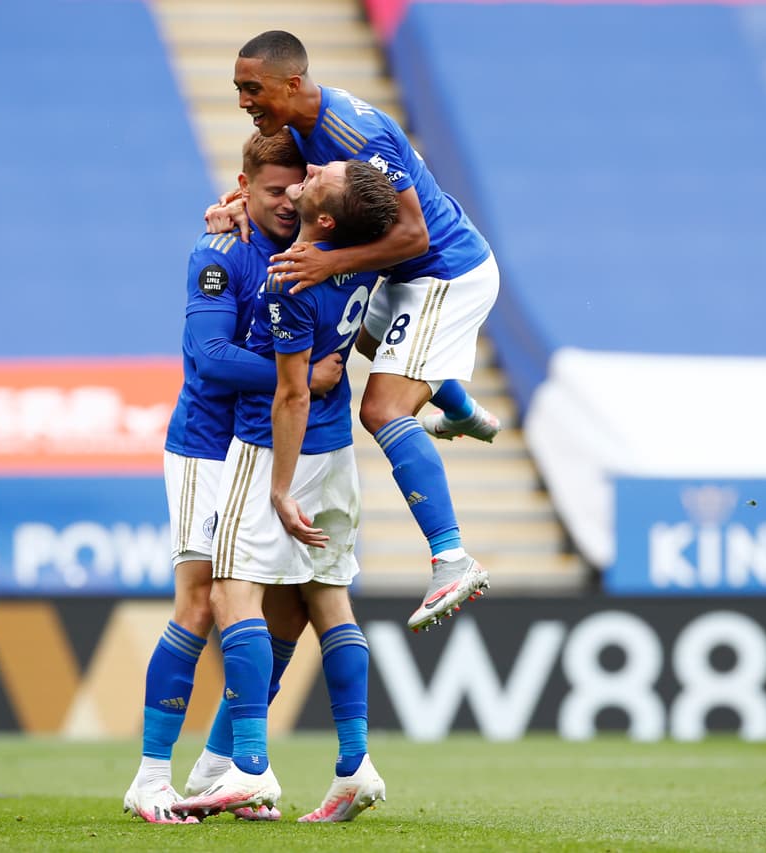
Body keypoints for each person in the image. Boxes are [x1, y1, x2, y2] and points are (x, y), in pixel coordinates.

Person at [212, 30, 498, 632]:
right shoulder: (296, 126)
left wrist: (327, 261)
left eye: (251, 88)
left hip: (441, 273)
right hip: (401, 273)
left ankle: (452, 557)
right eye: (239, 88)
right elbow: (270, 175)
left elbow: (415, 236)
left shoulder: (355, 133)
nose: (243, 99)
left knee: (383, 409)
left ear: (292, 84)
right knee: (367, 344)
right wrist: (237, 200)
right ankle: (464, 408)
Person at [123, 131, 345, 824]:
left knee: (285, 611)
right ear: (242, 188)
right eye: (271, 191)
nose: (284, 203)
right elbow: (209, 355)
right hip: (207, 450)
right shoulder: (220, 251)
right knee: (201, 602)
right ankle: (150, 777)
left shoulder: (314, 253)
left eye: (293, 189)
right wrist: (301, 376)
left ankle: (221, 766)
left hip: (265, 453)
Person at [174, 159, 399, 821]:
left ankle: (248, 767)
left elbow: (293, 392)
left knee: (230, 590)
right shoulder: (359, 261)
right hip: (339, 457)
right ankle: (355, 763)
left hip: (278, 449)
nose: (314, 169)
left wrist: (277, 488)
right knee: (330, 600)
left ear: (324, 218)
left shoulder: (290, 277)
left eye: (322, 177)